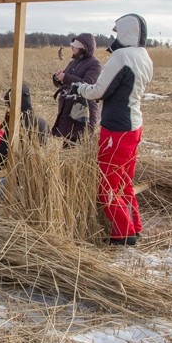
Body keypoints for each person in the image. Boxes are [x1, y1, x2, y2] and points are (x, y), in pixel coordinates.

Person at [72, 14, 154, 246]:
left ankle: (123, 233)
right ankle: (134, 225)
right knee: (125, 182)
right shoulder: (144, 56)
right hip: (134, 125)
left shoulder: (122, 56)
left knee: (106, 184)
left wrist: (79, 87)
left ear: (127, 32)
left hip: (116, 128)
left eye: (117, 32)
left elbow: (99, 91)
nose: (114, 37)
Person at [0, 83, 48, 173]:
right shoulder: (42, 122)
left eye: (8, 106)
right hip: (38, 173)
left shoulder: (14, 126)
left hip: (19, 177)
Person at [51, 33, 102, 143]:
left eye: (75, 46)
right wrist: (57, 77)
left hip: (82, 110)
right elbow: (64, 82)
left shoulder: (95, 64)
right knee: (68, 141)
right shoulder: (73, 62)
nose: (72, 47)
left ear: (84, 48)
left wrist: (66, 77)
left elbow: (88, 84)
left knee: (80, 140)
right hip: (68, 108)